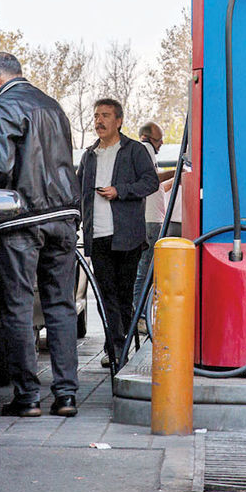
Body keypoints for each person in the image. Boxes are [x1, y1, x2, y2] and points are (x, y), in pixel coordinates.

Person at [0, 51, 82, 419]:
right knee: (61, 306)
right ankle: (66, 395)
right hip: (63, 217)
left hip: (22, 219)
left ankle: (28, 397)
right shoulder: (53, 106)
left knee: (18, 306)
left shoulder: (3, 105)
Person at [76, 99, 159, 368]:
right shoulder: (89, 155)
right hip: (97, 236)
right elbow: (78, 192)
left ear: (119, 121)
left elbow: (151, 182)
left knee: (123, 294)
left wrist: (119, 191)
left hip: (127, 236)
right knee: (105, 294)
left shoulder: (134, 150)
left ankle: (121, 342)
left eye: (105, 115)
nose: (99, 121)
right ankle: (115, 345)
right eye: (96, 116)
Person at [131, 121, 173, 326]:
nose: (162, 143)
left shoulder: (147, 155)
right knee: (145, 271)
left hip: (151, 219)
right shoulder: (145, 148)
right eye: (159, 139)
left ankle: (140, 313)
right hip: (150, 221)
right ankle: (139, 316)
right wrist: (177, 171)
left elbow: (157, 187)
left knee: (147, 270)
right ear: (147, 138)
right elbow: (153, 180)